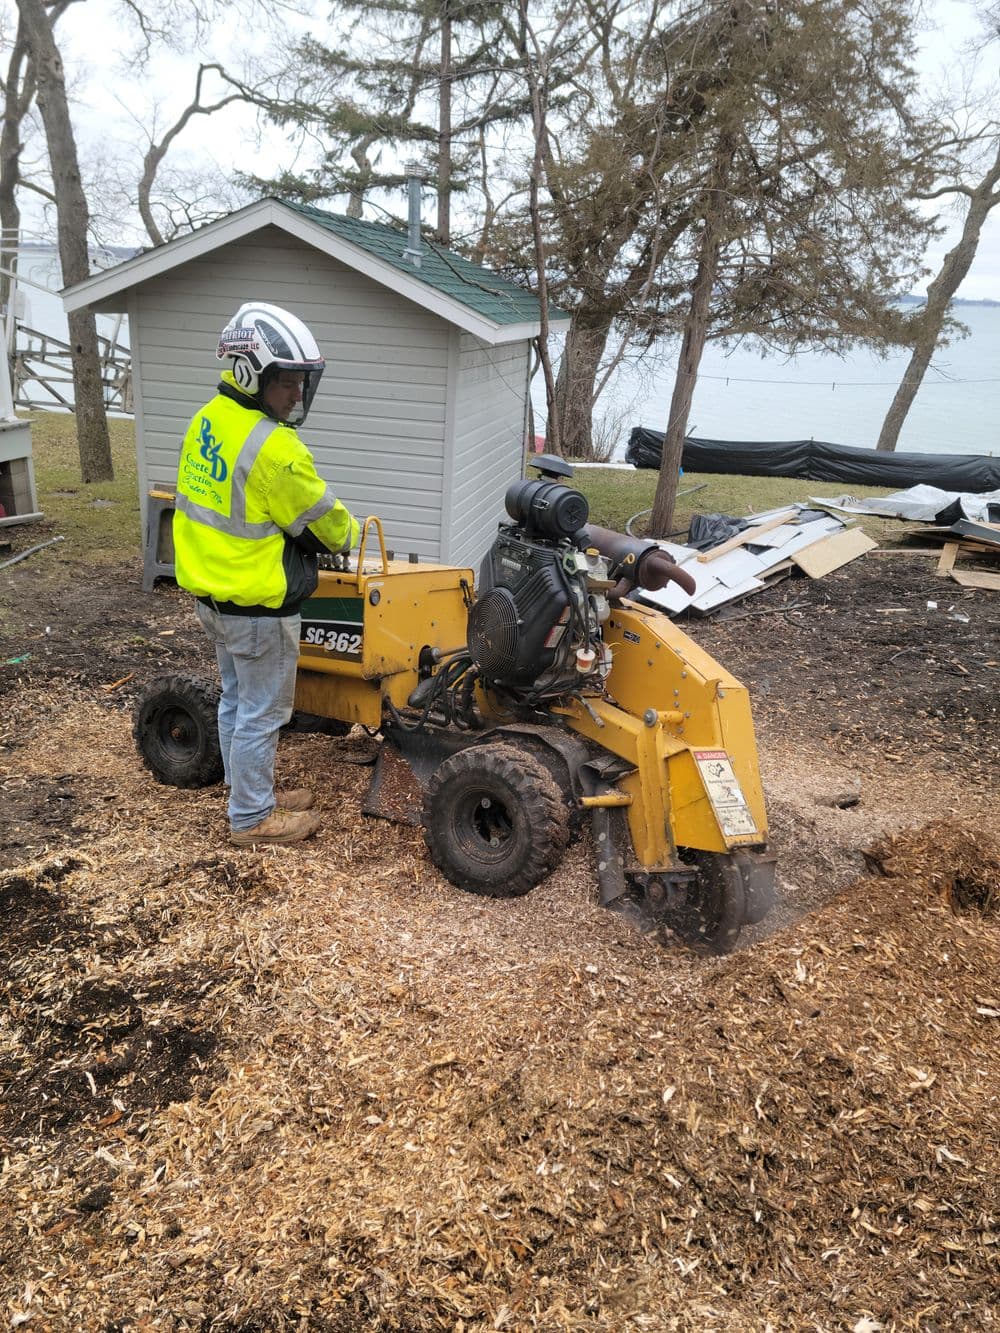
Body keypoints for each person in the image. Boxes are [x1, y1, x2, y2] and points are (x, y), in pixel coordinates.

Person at [173, 302, 359, 846]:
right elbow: (333, 528)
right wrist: (342, 538)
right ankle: (253, 819)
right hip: (257, 604)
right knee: (261, 712)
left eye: (304, 381)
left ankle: (245, 794)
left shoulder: (209, 418)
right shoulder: (274, 448)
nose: (298, 394)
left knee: (235, 700)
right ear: (254, 374)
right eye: (289, 382)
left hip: (212, 595)